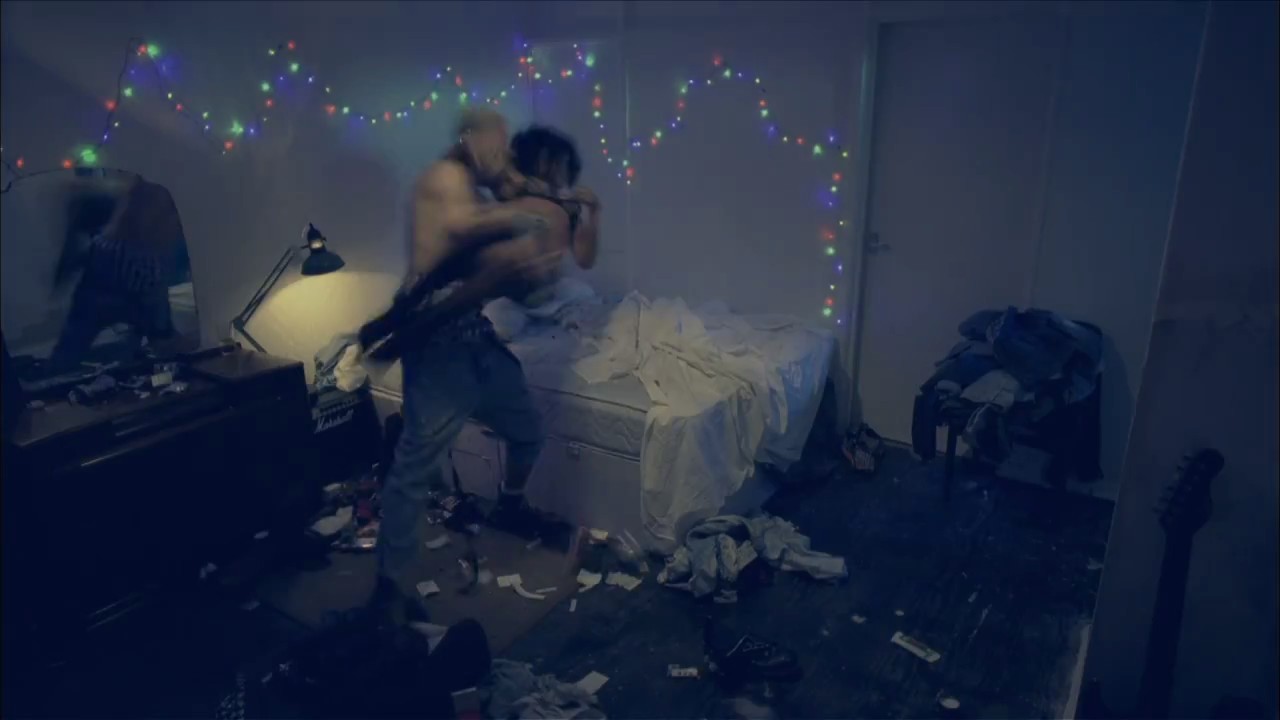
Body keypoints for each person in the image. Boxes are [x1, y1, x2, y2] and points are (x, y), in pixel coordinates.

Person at [370, 109, 585, 624]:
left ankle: (510, 503)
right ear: (473, 139)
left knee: (527, 430)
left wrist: (538, 212)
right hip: (440, 345)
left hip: (474, 337)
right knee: (414, 467)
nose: (503, 155)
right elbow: (462, 233)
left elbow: (497, 258)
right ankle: (389, 590)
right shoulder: (445, 178)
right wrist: (520, 220)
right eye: (498, 143)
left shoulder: (479, 187)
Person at [360, 124, 600, 360]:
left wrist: (594, 212)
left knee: (496, 304)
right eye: (549, 167)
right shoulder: (512, 191)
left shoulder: (569, 210)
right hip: (508, 284)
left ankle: (411, 325)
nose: (556, 177)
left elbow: (585, 259)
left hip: (538, 291)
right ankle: (401, 315)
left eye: (561, 169)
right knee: (464, 265)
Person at [49, 174, 184, 370]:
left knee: (73, 346)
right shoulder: (139, 207)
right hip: (108, 284)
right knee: (71, 348)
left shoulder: (147, 207)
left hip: (114, 284)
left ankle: (137, 361)